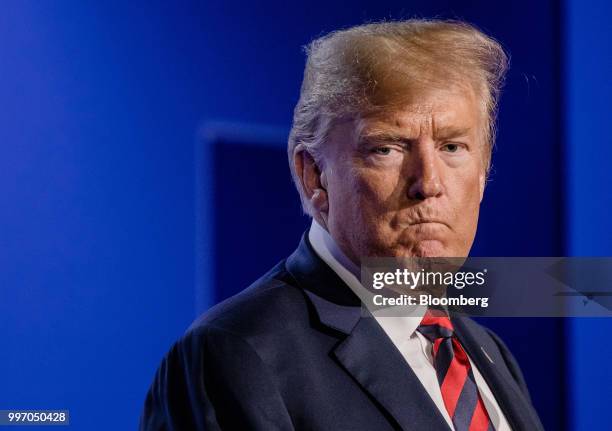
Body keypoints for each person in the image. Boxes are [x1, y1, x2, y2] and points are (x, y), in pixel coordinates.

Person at [140, 19, 543, 431]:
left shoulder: (489, 354)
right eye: (386, 148)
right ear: (314, 175)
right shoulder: (231, 356)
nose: (429, 183)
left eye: (452, 147)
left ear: (482, 173)